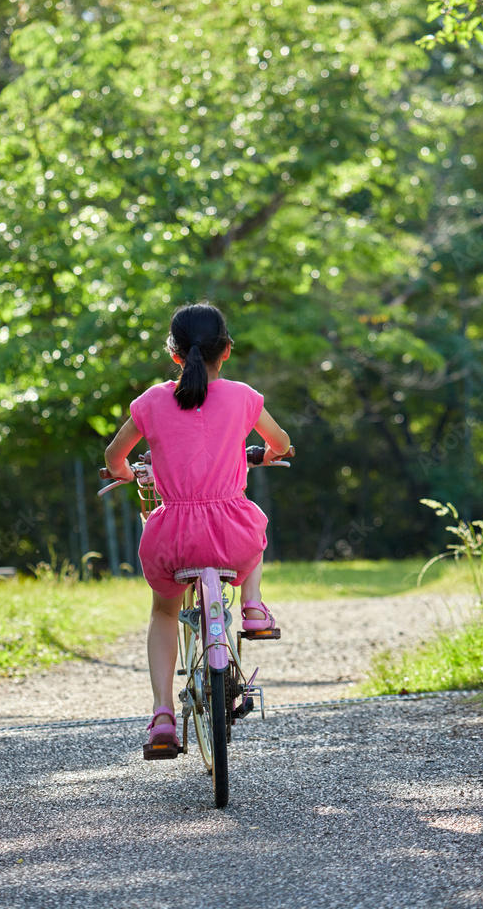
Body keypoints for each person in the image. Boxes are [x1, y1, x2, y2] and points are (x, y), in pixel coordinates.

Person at [103, 302, 291, 758]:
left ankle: (163, 714)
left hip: (173, 537)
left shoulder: (150, 402)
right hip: (231, 533)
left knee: (164, 614)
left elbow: (114, 455)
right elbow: (280, 442)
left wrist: (125, 473)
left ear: (174, 354)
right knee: (255, 528)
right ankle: (252, 609)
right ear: (226, 350)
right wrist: (266, 454)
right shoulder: (244, 397)